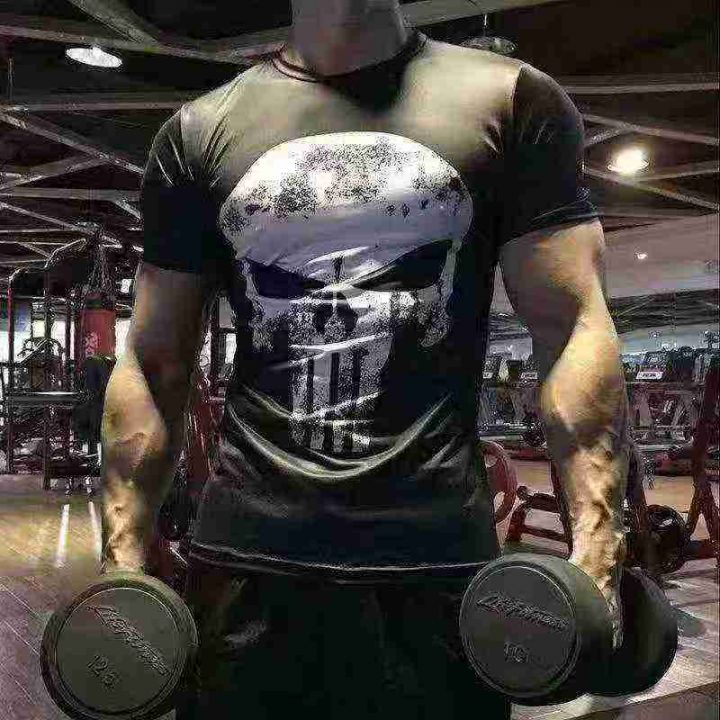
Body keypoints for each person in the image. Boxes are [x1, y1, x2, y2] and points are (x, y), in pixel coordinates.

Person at [100, 1, 630, 718]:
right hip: (245, 566)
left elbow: (571, 328)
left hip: (436, 566)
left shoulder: (511, 101)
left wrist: (597, 556)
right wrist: (123, 559)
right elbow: (153, 360)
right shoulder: (196, 132)